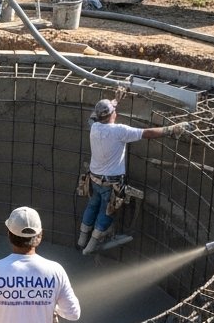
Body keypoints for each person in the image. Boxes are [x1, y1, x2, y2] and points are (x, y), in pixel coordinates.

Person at [79, 92, 191, 255]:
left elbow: (93, 117)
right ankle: (92, 244)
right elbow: (147, 133)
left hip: (94, 179)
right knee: (107, 210)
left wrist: (115, 101)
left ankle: (82, 238)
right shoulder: (120, 131)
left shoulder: (94, 127)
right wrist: (171, 129)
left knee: (92, 205)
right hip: (112, 183)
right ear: (113, 115)